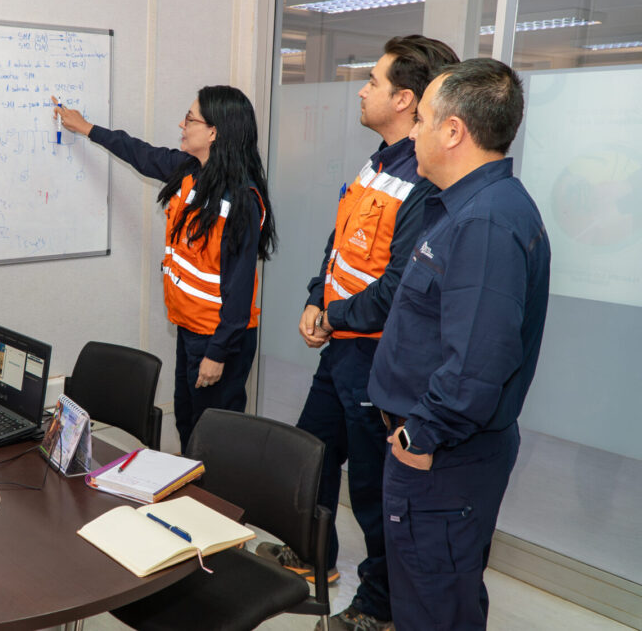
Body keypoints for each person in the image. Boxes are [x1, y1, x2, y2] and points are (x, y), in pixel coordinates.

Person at [257, 35, 459, 631]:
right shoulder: (379, 158)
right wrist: (316, 297)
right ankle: (312, 556)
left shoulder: (424, 183)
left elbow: (398, 289)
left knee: (374, 491)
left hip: (377, 361)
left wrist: (334, 316)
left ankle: (380, 609)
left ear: (403, 99)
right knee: (311, 456)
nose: (363, 90)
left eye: (372, 81)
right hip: (341, 347)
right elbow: (340, 239)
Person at [369, 59, 551, 630]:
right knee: (441, 597)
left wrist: (421, 436)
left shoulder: (486, 222)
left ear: (454, 132)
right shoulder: (461, 207)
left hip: (441, 457)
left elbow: (478, 361)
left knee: (433, 608)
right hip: (436, 451)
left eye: (421, 119)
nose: (414, 132)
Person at [53, 87, 277, 452]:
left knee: (214, 437)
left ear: (215, 132)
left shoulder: (241, 200)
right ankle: (191, 496)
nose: (181, 124)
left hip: (220, 338)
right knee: (189, 422)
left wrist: (217, 354)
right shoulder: (190, 171)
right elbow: (139, 152)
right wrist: (86, 127)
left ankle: (216, 505)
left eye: (190, 119)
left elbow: (239, 292)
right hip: (191, 327)